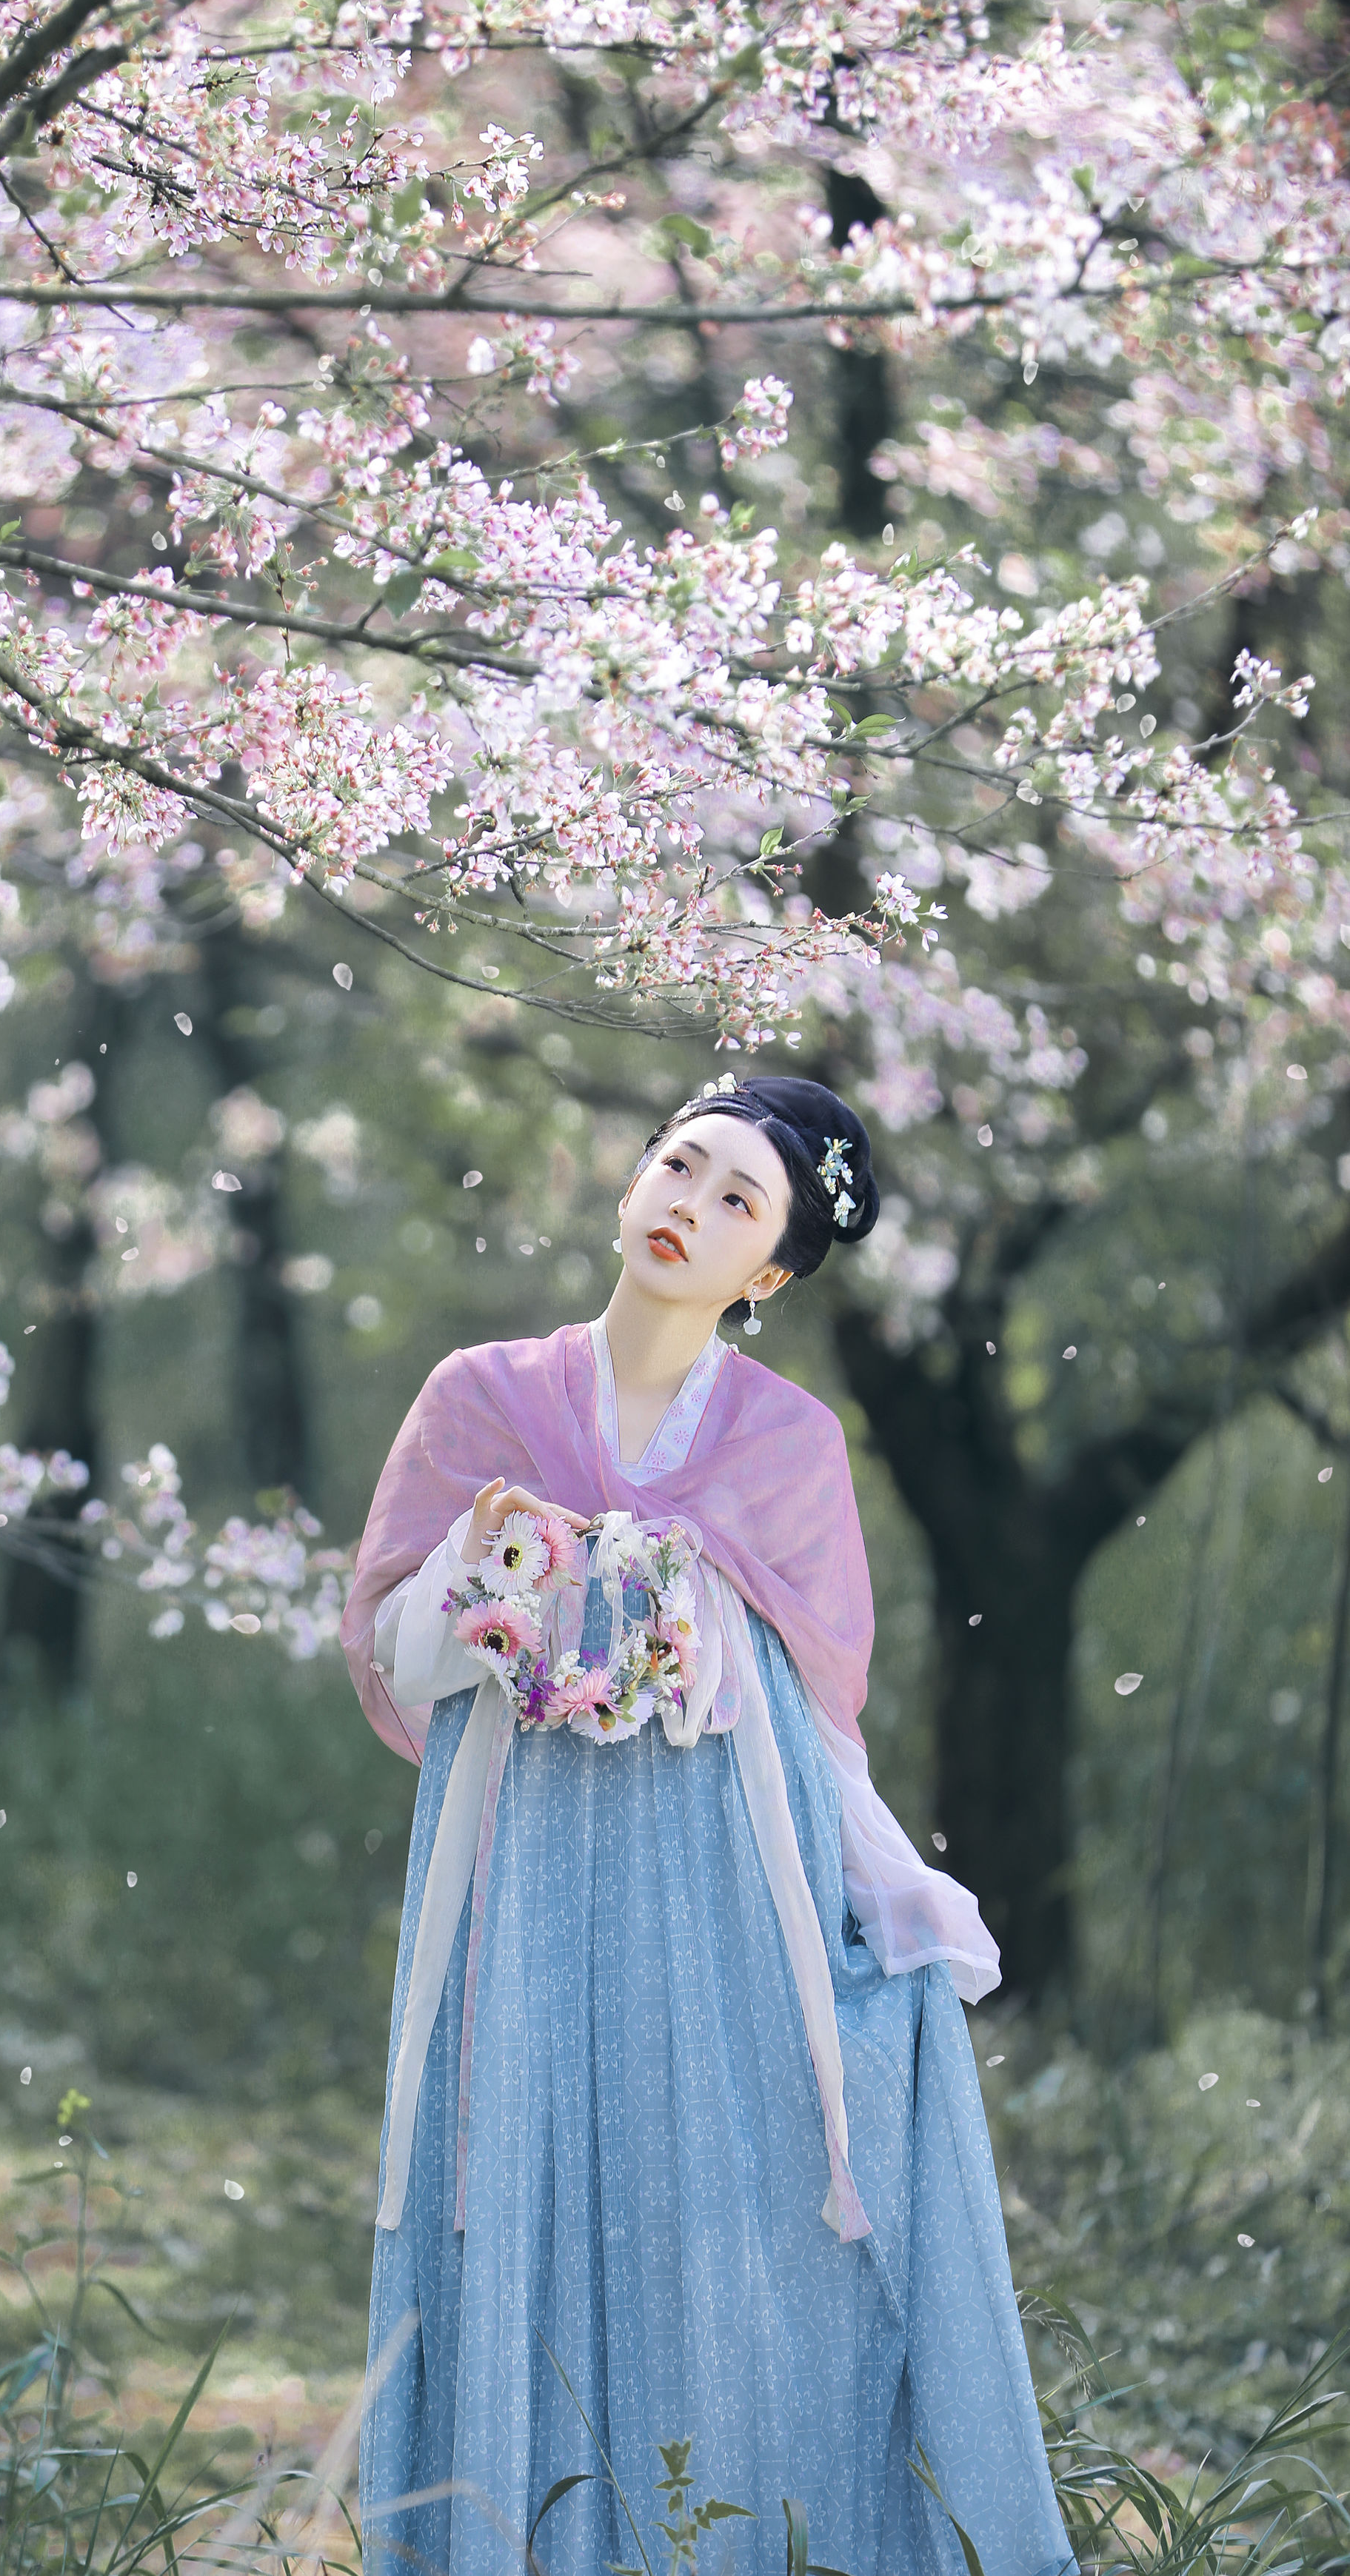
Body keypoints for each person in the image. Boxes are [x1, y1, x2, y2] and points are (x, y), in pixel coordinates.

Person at [341, 1071, 1072, 2576]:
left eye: (739, 1199)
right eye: (679, 1167)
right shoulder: (480, 1399)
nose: (689, 1204)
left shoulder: (788, 1447)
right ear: (630, 1185)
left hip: (719, 1894)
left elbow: (810, 1718)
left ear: (776, 1270)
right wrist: (492, 1581)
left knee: (717, 2225)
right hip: (522, 1882)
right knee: (515, 2205)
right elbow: (393, 1651)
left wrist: (896, 1892)